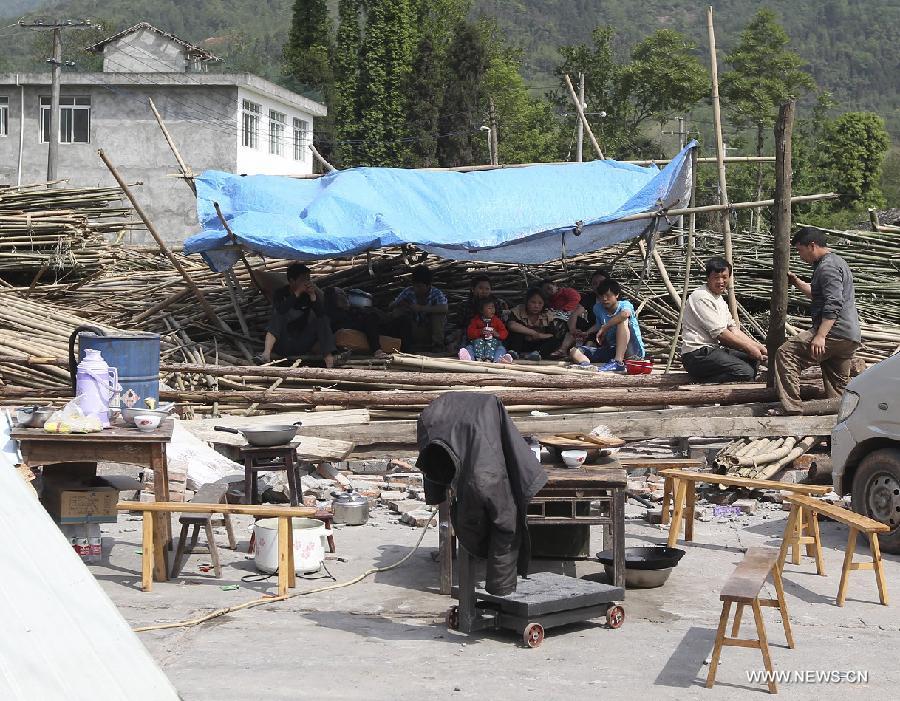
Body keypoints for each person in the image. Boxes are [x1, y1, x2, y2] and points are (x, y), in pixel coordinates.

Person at [774, 227, 861, 414]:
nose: (799, 255)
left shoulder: (827, 267)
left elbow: (834, 302)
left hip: (834, 332)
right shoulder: (835, 262)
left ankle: (792, 408)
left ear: (812, 246)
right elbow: (819, 295)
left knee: (786, 353)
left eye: (799, 250)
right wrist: (797, 282)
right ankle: (839, 424)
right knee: (836, 386)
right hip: (849, 336)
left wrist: (821, 335)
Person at [680, 257, 767, 382]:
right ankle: (703, 385)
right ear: (708, 278)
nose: (721, 281)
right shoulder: (701, 297)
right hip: (697, 355)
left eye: (724, 277)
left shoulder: (719, 299)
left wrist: (758, 347)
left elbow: (733, 330)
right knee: (745, 372)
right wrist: (748, 348)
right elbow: (721, 334)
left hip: (712, 351)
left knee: (751, 359)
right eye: (716, 277)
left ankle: (730, 397)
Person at [261, 263, 337, 367]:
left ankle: (329, 358)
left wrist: (313, 296)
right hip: (283, 343)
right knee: (278, 314)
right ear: (292, 281)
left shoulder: (308, 295)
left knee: (322, 319)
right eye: (303, 280)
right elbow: (280, 310)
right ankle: (266, 353)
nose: (306, 282)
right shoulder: (281, 293)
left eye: (308, 279)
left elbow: (321, 315)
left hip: (301, 342)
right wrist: (297, 293)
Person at [569, 279, 645, 372]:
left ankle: (618, 362)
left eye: (608, 296)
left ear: (616, 295)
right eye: (602, 296)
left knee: (622, 320)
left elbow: (625, 314)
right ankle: (585, 365)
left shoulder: (625, 304)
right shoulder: (598, 308)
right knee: (574, 351)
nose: (604, 299)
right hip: (613, 350)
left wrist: (606, 326)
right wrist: (587, 333)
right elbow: (598, 324)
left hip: (633, 352)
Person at [388, 265, 448, 352]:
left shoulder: (436, 293)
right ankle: (401, 344)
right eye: (415, 286)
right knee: (398, 312)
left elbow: (444, 308)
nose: (416, 289)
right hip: (413, 330)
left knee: (438, 315)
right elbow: (391, 306)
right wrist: (398, 304)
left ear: (428, 285)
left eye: (420, 286)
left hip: (430, 331)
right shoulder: (409, 291)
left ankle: (437, 346)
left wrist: (421, 308)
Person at [323, 286, 390, 358]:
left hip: (350, 323)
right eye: (340, 294)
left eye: (344, 294)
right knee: (369, 320)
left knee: (371, 318)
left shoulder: (350, 309)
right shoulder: (328, 311)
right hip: (340, 326)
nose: (344, 296)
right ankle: (377, 350)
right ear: (332, 297)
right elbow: (335, 322)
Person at [506, 287, 564, 360]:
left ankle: (537, 354)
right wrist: (533, 333)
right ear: (527, 302)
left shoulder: (547, 314)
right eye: (533, 302)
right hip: (521, 343)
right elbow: (511, 325)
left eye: (540, 303)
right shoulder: (518, 310)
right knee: (516, 334)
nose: (536, 306)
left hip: (537, 344)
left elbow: (551, 335)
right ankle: (514, 352)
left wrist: (539, 336)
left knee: (555, 341)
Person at [458, 297, 513, 363]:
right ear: (481, 311)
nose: (492, 310)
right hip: (477, 348)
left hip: (493, 347)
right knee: (469, 347)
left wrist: (496, 334)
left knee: (501, 348)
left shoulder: (497, 321)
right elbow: (470, 333)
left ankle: (499, 360)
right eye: (489, 308)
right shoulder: (475, 320)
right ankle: (469, 359)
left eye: (493, 307)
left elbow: (504, 332)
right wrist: (480, 332)